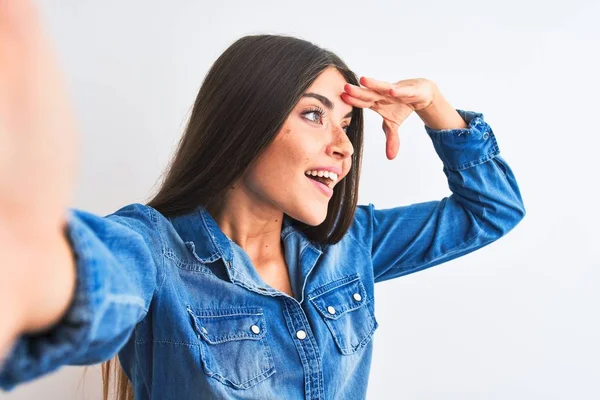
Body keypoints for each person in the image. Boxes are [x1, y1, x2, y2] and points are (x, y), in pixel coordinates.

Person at [0, 2, 526, 399]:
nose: (343, 147)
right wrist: (27, 263)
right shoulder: (150, 248)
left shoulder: (352, 244)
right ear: (244, 122)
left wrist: (435, 105)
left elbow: (491, 210)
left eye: (347, 125)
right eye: (314, 115)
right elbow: (85, 281)